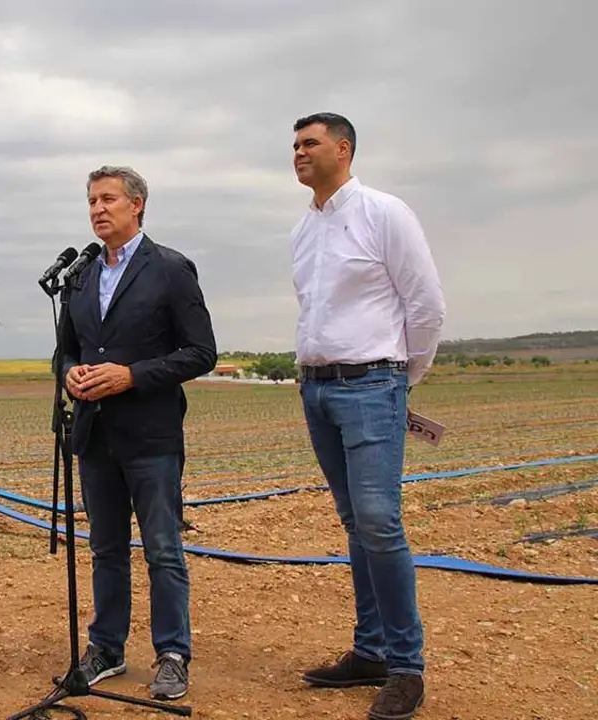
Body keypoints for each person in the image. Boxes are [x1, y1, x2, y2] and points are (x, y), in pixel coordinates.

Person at [288, 113, 446, 720]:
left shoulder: (385, 213)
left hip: (372, 383)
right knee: (356, 524)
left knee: (380, 523)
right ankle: (371, 650)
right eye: (295, 144)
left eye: (311, 143)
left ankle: (407, 666)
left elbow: (426, 305)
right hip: (318, 391)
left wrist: (401, 379)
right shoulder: (304, 229)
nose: (299, 152)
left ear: (344, 149)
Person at [57, 165, 218, 701]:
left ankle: (172, 653)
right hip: (94, 435)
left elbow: (200, 352)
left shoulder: (170, 269)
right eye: (91, 202)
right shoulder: (80, 275)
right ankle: (107, 646)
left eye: (109, 199)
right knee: (105, 548)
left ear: (138, 204)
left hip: (150, 435)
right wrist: (69, 373)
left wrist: (131, 375)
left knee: (163, 549)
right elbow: (67, 348)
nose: (98, 209)